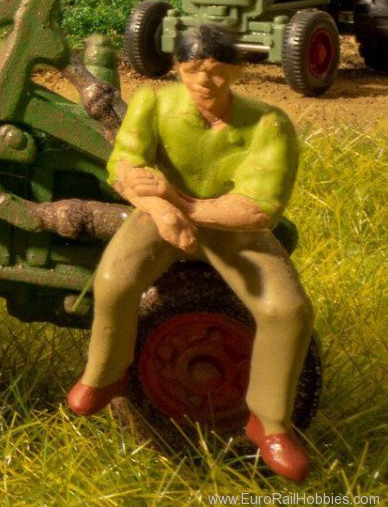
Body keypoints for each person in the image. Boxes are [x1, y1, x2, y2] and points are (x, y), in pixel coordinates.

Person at [65, 24, 315, 481]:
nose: (205, 81)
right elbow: (125, 168)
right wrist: (161, 212)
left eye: (218, 71)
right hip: (158, 219)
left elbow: (260, 210)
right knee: (114, 280)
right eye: (194, 69)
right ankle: (107, 373)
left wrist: (181, 204)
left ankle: (270, 422)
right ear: (178, 68)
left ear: (237, 71)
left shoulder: (268, 123)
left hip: (231, 230)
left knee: (288, 310)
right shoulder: (153, 103)